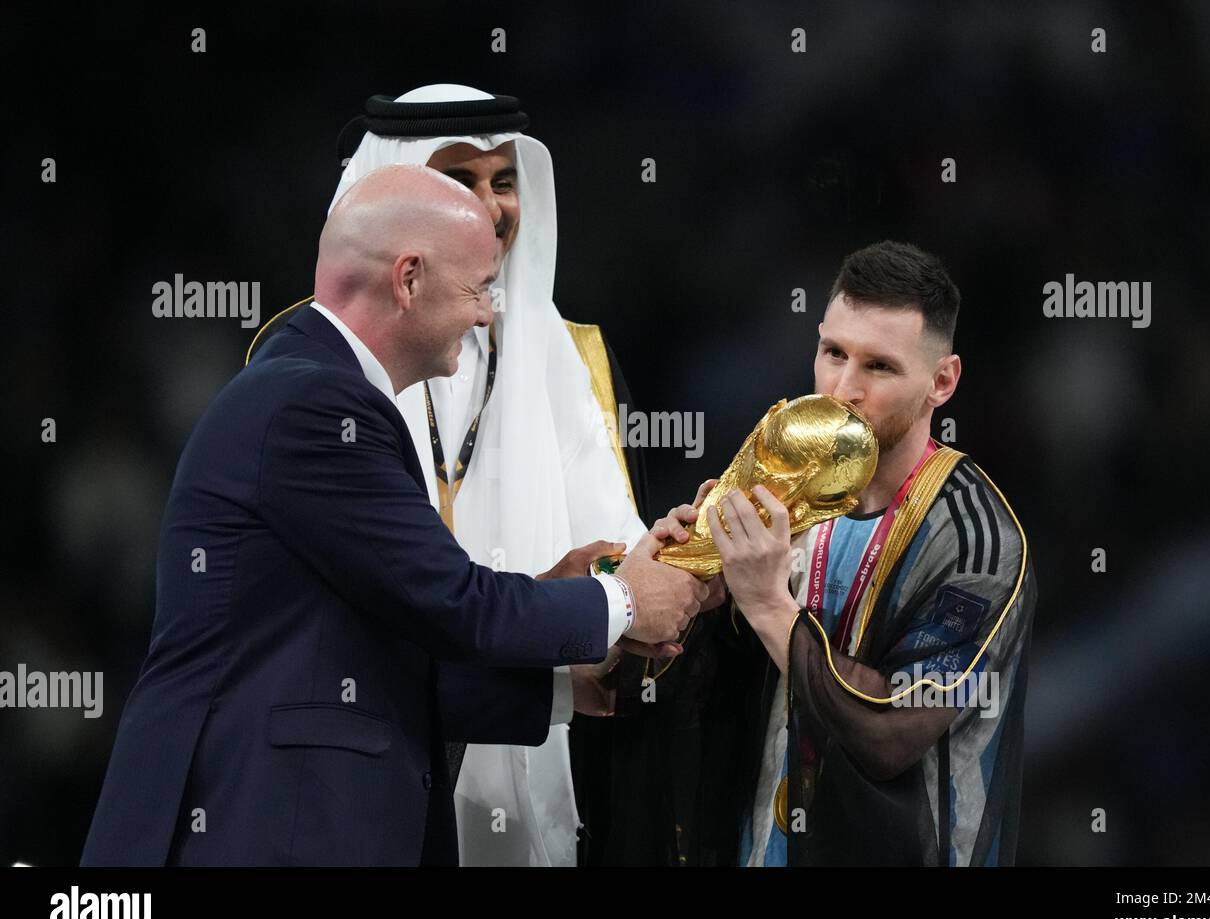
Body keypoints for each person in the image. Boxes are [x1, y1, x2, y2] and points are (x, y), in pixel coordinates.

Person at [79, 164, 705, 867]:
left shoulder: (310, 390)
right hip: (259, 826)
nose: (485, 314)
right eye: (479, 287)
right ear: (408, 280)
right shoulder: (315, 406)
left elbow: (364, 662)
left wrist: (564, 683)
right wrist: (624, 599)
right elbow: (456, 605)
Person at [249, 84, 666, 867]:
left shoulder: (568, 357)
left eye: (502, 180)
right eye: (456, 180)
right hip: (355, 766)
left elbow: (615, 551)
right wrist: (609, 600)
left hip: (526, 741)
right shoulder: (313, 376)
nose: (488, 206)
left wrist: (689, 557)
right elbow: (385, 620)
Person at [622, 241, 1037, 866]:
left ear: (942, 381)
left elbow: (891, 731)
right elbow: (691, 698)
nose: (843, 389)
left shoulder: (977, 541)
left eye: (880, 367)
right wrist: (689, 600)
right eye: (833, 353)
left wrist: (765, 602)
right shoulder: (781, 487)